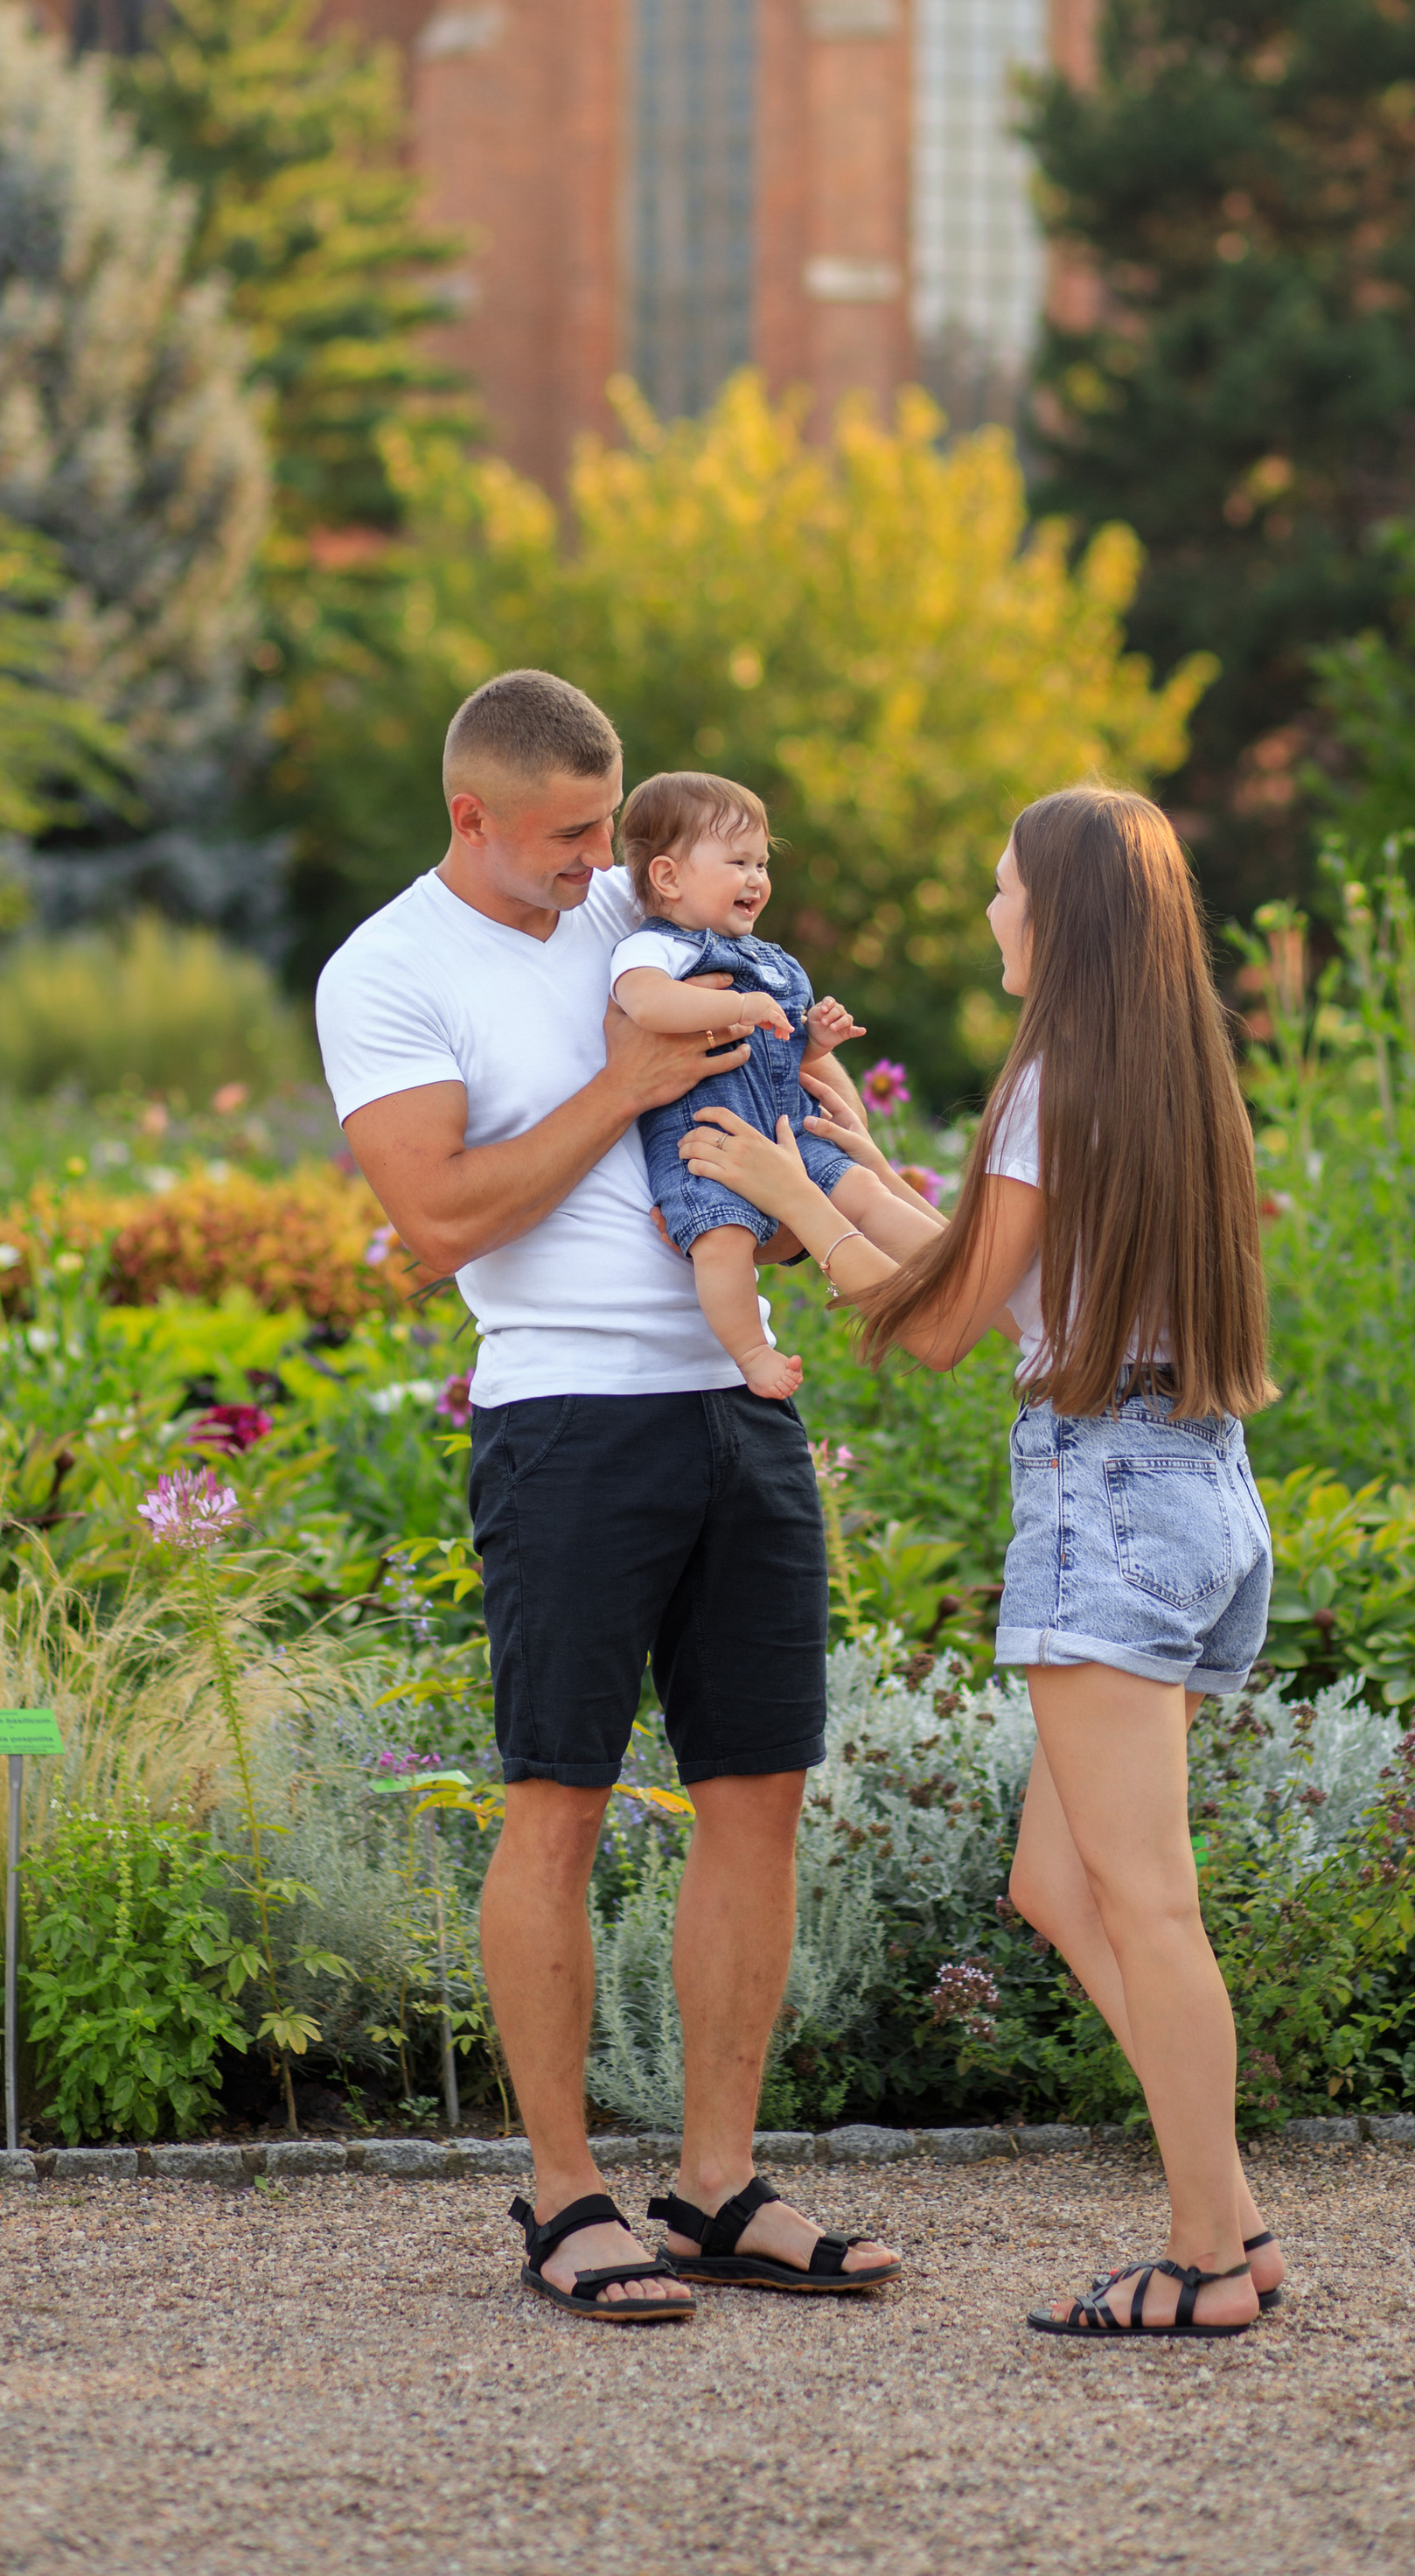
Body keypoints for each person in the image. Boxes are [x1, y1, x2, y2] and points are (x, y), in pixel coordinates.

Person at [313, 672, 935, 2324]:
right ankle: (565, 2195)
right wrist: (619, 1095)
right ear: (472, 817)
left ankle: (720, 2186)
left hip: (738, 1403)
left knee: (759, 1796)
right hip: (567, 1419)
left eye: (612, 833)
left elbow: (749, 1117)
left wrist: (817, 1163)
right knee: (560, 1804)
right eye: (571, 834)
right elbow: (440, 1222)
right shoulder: (386, 972)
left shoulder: (638, 912)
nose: (602, 860)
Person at [675, 783, 1284, 2340]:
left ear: (1059, 913)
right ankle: (1229, 2217)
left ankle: (1214, 2256)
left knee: (1146, 1902)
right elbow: (1000, 1277)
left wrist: (790, 1193)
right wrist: (861, 1167)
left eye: (1006, 891)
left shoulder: (1049, 1082)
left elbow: (941, 1330)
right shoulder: (1154, 1072)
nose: (994, 915)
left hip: (1107, 1497)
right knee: (1059, 1884)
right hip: (1197, 1486)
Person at [608, 769, 904, 1400]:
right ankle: (751, 1352)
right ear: (668, 877)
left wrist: (817, 1039)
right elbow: (648, 1006)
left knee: (865, 1190)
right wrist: (737, 1010)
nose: (757, 879)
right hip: (707, 1141)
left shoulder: (772, 959)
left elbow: (787, 1046)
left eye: (762, 863)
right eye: (738, 861)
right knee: (722, 1242)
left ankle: (948, 1266)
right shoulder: (656, 950)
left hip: (788, 1126)